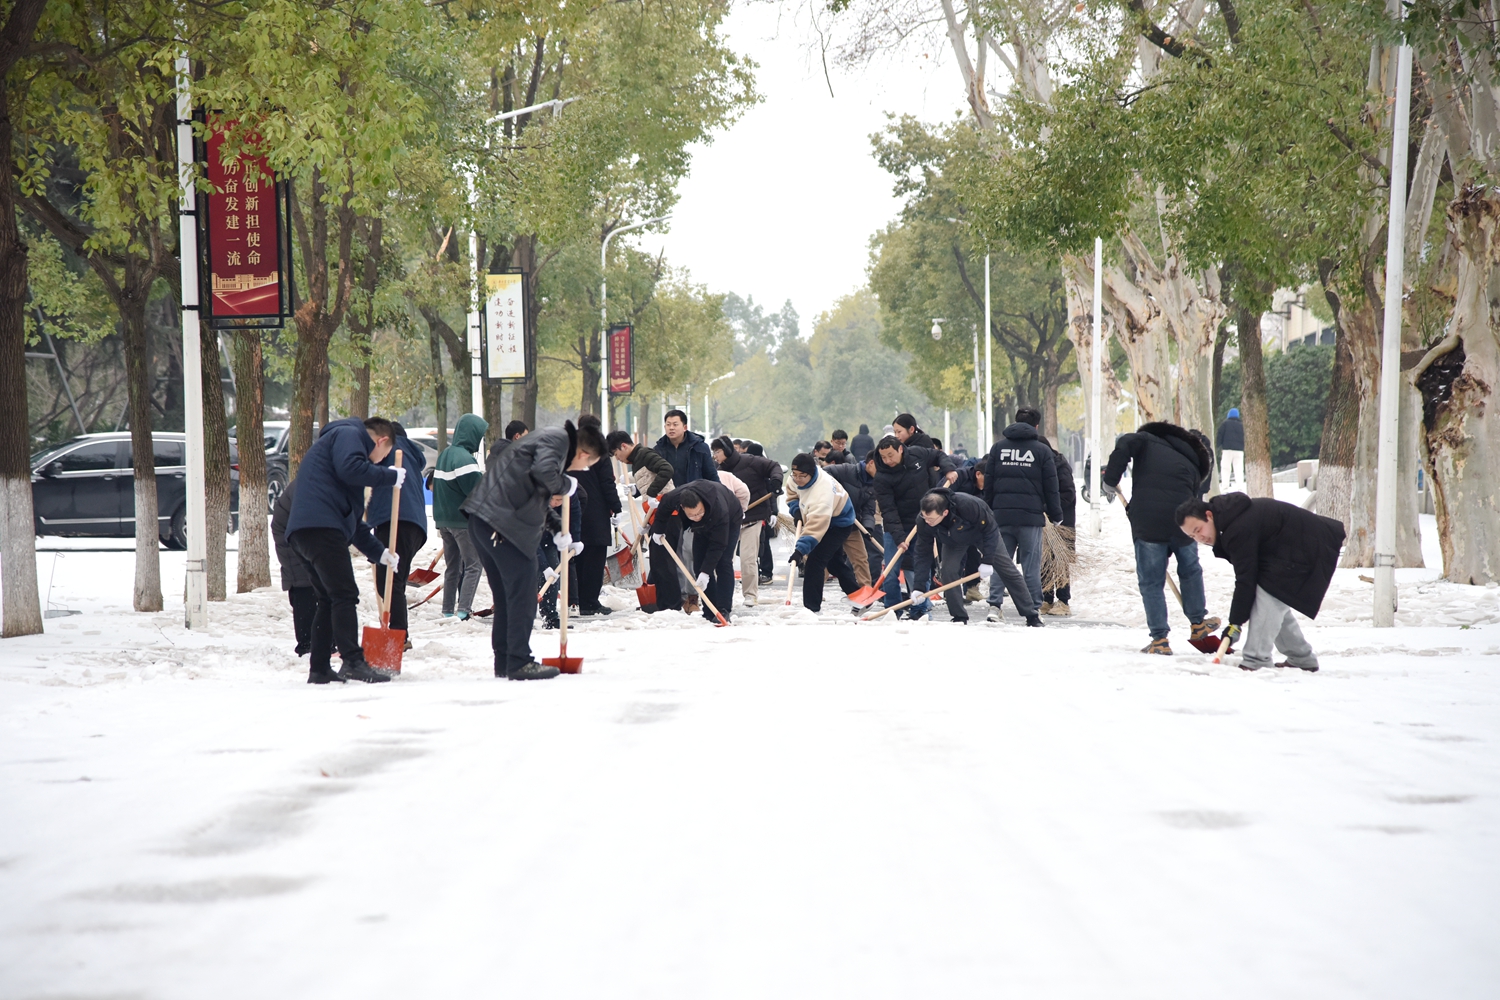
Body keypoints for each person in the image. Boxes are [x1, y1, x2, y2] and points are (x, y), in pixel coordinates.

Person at [463, 420, 605, 680]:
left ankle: (505, 661)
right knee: (523, 594)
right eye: (586, 465)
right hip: (502, 525)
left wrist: (558, 529)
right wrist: (565, 485)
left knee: (508, 596)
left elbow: (532, 493)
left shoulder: (546, 441)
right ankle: (519, 662)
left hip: (486, 521)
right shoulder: (558, 440)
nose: (580, 470)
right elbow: (543, 475)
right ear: (584, 454)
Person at [285, 416, 405, 684]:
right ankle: (353, 661)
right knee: (344, 594)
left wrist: (380, 553)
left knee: (329, 599)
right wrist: (389, 476)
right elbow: (352, 468)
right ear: (381, 440)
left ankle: (319, 668)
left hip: (307, 531)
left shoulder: (340, 460)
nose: (378, 463)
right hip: (321, 528)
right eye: (381, 457)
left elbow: (353, 523)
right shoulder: (349, 435)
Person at [1176, 494, 1345, 672]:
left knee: (1269, 595)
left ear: (1209, 516)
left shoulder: (1236, 527)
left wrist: (1235, 623)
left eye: (1198, 529)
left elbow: (1245, 579)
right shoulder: (1227, 522)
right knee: (1272, 598)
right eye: (1192, 535)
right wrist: (1236, 623)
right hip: (1288, 549)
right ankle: (1301, 657)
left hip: (1308, 546)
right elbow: (1247, 576)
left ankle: (1256, 660)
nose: (1199, 538)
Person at [1103, 420, 1220, 655]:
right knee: (1190, 571)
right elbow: (1198, 495)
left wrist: (1109, 480)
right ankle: (1198, 623)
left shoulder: (1147, 439)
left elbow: (1125, 442)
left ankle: (1159, 640)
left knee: (1151, 581)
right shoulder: (1192, 462)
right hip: (1183, 523)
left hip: (1149, 522)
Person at [911, 489, 1042, 625]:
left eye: (931, 519)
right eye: (924, 517)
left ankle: (1031, 614)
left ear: (945, 512)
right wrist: (919, 586)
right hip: (952, 540)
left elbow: (990, 530)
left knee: (1007, 569)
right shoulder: (923, 521)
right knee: (948, 572)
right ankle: (959, 616)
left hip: (982, 534)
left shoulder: (968, 505)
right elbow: (922, 553)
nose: (927, 521)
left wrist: (987, 560)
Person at [984, 408, 1062, 614]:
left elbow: (989, 482)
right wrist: (1056, 516)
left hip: (1002, 517)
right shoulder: (1042, 451)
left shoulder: (998, 448)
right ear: (1036, 426)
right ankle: (1033, 608)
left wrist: (989, 510)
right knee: (1031, 566)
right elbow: (1051, 487)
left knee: (1001, 563)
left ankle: (994, 606)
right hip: (1030, 518)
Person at [872, 434, 956, 614]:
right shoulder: (881, 477)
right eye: (883, 457)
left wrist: (948, 469)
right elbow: (888, 510)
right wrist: (899, 538)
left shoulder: (917, 454)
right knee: (891, 572)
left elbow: (938, 455)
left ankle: (920, 609)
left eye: (890, 455)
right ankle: (892, 610)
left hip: (923, 522)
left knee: (921, 568)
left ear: (900, 449)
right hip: (896, 526)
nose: (887, 460)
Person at [367, 421, 429, 644]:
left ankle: (398, 635)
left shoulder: (388, 451)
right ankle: (398, 633)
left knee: (390, 582)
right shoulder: (412, 456)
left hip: (396, 521)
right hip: (415, 526)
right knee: (395, 580)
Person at [648, 481, 740, 621]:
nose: (696, 517)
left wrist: (706, 572)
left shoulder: (720, 510)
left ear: (702, 503)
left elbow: (718, 545)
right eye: (692, 515)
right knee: (698, 564)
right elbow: (664, 505)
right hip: (703, 525)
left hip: (731, 517)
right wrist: (658, 530)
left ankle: (723, 610)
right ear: (682, 507)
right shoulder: (676, 497)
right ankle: (710, 609)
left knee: (723, 562)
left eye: (699, 513)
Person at [784, 453, 861, 613]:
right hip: (823, 518)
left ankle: (811, 608)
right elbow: (791, 493)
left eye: (802, 476)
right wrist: (796, 509)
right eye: (795, 474)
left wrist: (800, 551)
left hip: (839, 522)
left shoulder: (821, 492)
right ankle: (861, 598)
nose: (797, 479)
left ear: (811, 474)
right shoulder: (795, 478)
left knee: (814, 562)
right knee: (834, 563)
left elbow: (815, 528)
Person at [712, 436, 783, 607]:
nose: (715, 456)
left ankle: (750, 594)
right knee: (721, 559)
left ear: (728, 451)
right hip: (728, 521)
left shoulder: (751, 461)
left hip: (753, 517)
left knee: (748, 558)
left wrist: (776, 481)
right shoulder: (715, 469)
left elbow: (774, 466)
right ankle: (718, 594)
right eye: (713, 452)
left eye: (718, 452)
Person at [430, 413, 487, 620]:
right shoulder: (465, 459)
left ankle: (447, 610)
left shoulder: (445, 454)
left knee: (453, 567)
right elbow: (476, 490)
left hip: (444, 520)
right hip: (462, 522)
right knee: (473, 565)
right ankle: (463, 610)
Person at [573, 415, 620, 617]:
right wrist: (616, 507)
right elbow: (607, 483)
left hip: (571, 508)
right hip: (595, 513)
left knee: (575, 557)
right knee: (594, 559)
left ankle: (574, 601)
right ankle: (589, 602)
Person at [270, 478, 316, 656]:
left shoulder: (323, 480)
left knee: (323, 587)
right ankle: (306, 644)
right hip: (291, 536)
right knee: (303, 585)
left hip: (306, 534)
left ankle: (327, 642)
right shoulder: (309, 484)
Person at [821, 455, 875, 588]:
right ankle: (816, 591)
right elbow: (822, 475)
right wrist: (836, 498)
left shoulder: (874, 483)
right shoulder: (846, 470)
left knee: (861, 558)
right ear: (871, 463)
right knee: (822, 559)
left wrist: (868, 527)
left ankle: (866, 590)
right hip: (829, 523)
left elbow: (869, 509)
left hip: (851, 524)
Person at [1038, 433, 1077, 615]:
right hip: (1043, 523)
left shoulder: (1060, 466)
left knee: (1060, 562)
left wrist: (1047, 507)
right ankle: (1046, 599)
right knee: (1044, 561)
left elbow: (1068, 494)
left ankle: (1063, 601)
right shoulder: (1040, 466)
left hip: (1062, 522)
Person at [655, 409, 719, 486]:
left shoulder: (699, 447)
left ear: (685, 427)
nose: (671, 428)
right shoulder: (658, 449)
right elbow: (650, 476)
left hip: (693, 494)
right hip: (667, 495)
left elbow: (711, 476)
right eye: (668, 424)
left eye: (675, 424)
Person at [608, 430, 675, 499]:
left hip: (665, 503)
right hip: (655, 507)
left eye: (616, 454)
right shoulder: (636, 461)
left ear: (624, 446)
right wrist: (635, 490)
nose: (617, 458)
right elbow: (649, 480)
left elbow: (666, 469)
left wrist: (651, 493)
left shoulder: (644, 454)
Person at [1216, 407, 1244, 489]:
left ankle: (1225, 485)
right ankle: (1240, 486)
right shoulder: (1241, 425)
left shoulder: (1225, 424)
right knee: (1239, 468)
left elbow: (1219, 435)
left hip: (1227, 449)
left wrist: (1218, 445)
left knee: (1225, 468)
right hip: (1239, 450)